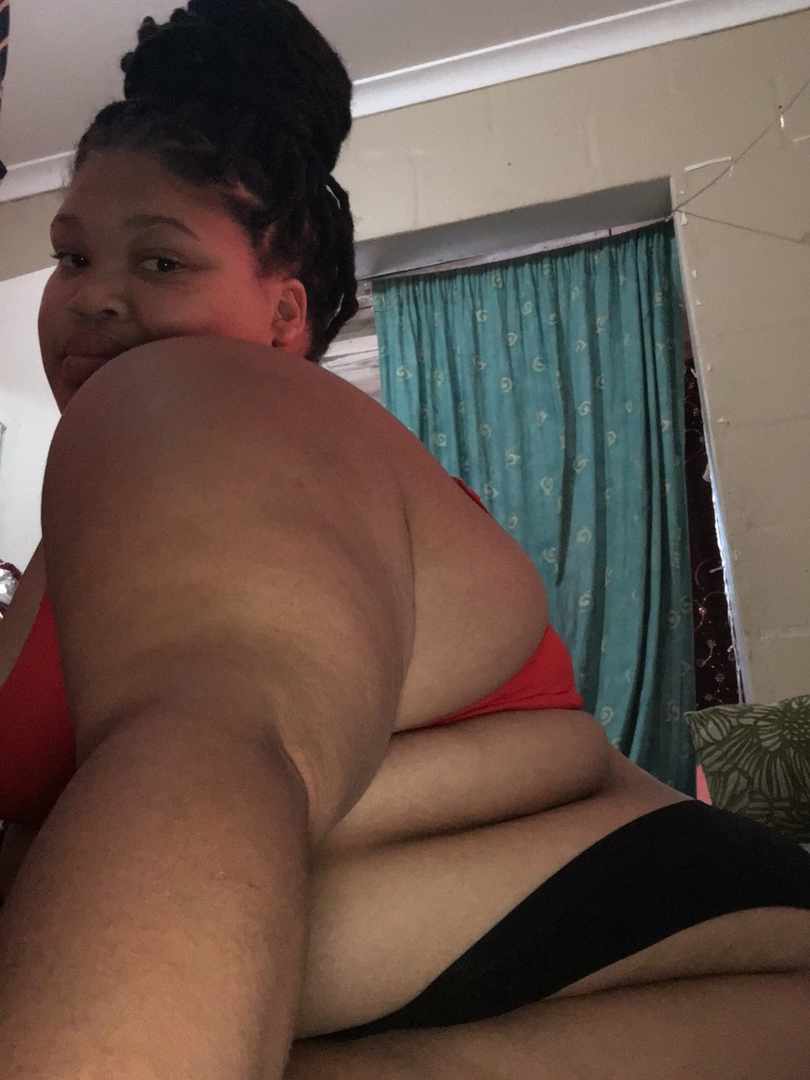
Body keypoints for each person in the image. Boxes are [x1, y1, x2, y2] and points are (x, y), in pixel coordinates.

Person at [0, 2, 809, 1076]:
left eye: (159, 263)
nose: (92, 298)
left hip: (706, 991)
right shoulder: (108, 494)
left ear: (284, 315)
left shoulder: (189, 400)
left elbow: (208, 751)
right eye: (71, 256)